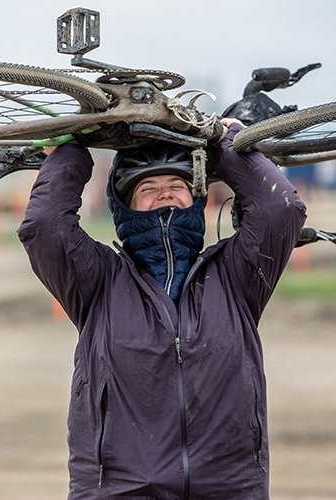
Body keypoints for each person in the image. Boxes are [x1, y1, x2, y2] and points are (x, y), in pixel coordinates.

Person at [17, 119, 307, 500]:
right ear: (126, 206)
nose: (164, 194)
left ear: (198, 198)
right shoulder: (97, 280)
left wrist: (225, 142)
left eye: (177, 186)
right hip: (122, 490)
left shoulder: (236, 276)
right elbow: (45, 225)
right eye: (147, 188)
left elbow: (279, 210)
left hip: (229, 487)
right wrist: (73, 146)